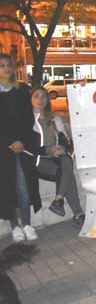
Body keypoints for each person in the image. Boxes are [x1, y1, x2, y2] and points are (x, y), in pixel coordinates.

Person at [30, 87, 84, 227]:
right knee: (67, 170)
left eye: (43, 96)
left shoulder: (55, 118)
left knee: (66, 160)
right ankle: (78, 213)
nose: (40, 100)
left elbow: (66, 141)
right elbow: (28, 147)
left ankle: (59, 200)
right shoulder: (28, 120)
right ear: (31, 99)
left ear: (48, 99)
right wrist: (48, 150)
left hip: (57, 159)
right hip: (38, 160)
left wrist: (62, 148)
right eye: (36, 96)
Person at [0, 54, 40, 241]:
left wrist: (21, 141)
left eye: (8, 65)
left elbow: (28, 118)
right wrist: (8, 142)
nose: (6, 69)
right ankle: (14, 225)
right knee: (7, 188)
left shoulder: (22, 90)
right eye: (2, 66)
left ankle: (27, 223)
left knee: (24, 187)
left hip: (22, 146)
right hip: (3, 148)